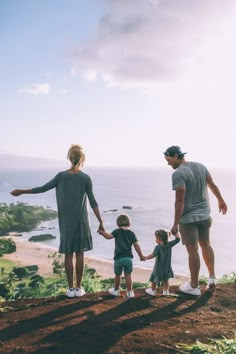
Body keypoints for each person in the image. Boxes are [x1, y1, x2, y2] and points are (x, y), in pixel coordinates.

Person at [11, 144, 104, 298]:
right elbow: (93, 202)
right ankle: (79, 288)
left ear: (69, 158)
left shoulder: (61, 176)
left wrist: (21, 191)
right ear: (82, 159)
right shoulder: (85, 178)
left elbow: (42, 188)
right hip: (81, 221)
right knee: (79, 253)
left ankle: (70, 289)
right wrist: (100, 222)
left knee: (68, 253)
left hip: (66, 221)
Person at [163, 145, 227, 296]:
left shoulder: (178, 174)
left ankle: (194, 286)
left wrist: (175, 224)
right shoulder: (201, 167)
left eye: (169, 160)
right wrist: (221, 200)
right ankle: (212, 279)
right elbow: (212, 185)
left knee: (193, 251)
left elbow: (180, 201)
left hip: (189, 219)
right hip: (205, 216)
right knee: (206, 245)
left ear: (177, 156)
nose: (168, 163)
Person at [98, 214, 144, 298]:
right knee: (128, 275)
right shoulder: (131, 233)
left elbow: (108, 237)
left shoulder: (117, 231)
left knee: (118, 275)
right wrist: (141, 256)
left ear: (118, 225)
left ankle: (116, 290)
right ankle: (130, 292)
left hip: (118, 258)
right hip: (128, 258)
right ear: (129, 224)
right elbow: (136, 245)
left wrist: (101, 232)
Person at [144, 229, 180, 296]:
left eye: (156, 239)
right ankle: (166, 291)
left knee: (154, 279)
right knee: (165, 279)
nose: (155, 240)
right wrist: (176, 233)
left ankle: (153, 290)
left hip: (158, 267)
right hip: (167, 267)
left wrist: (145, 257)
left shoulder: (158, 247)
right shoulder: (169, 244)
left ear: (159, 239)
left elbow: (153, 255)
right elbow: (178, 240)